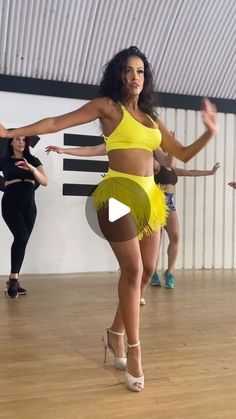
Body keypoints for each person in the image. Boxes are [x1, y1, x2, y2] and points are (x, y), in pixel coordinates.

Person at [0, 46, 217, 392]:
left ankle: (115, 333)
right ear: (118, 74)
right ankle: (134, 351)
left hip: (150, 199)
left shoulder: (151, 119)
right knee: (132, 271)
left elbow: (183, 154)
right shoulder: (107, 107)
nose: (135, 77)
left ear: (146, 78)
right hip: (116, 195)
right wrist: (10, 133)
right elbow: (56, 122)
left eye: (141, 71)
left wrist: (210, 131)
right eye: (128, 70)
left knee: (146, 271)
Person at [148, 153, 220, 291]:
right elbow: (138, 170)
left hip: (169, 203)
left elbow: (191, 172)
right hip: (155, 204)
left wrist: (210, 172)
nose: (172, 155)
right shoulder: (155, 165)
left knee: (175, 238)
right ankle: (152, 273)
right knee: (156, 241)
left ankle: (170, 273)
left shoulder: (172, 169)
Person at [0, 135, 48, 298]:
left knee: (23, 240)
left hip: (29, 206)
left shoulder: (33, 160)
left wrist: (32, 169)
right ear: (11, 142)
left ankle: (14, 279)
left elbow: (44, 181)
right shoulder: (4, 161)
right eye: (18, 139)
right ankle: (13, 280)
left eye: (24, 140)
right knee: (21, 237)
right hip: (10, 203)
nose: (21, 142)